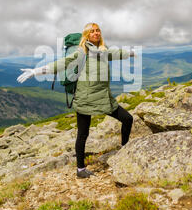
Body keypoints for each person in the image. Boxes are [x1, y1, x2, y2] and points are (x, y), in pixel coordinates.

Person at [17, 23, 135, 178]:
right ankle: (80, 169)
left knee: (128, 119)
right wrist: (37, 71)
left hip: (102, 98)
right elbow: (62, 63)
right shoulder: (81, 52)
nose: (96, 33)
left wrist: (132, 53)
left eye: (97, 30)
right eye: (92, 31)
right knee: (83, 134)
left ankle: (124, 149)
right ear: (86, 35)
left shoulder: (103, 51)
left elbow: (116, 53)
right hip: (85, 99)